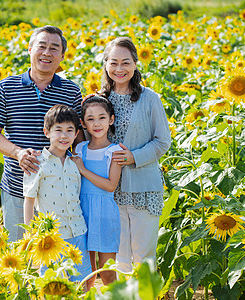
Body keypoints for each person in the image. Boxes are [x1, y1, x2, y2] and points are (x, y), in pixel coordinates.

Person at [0, 25, 83, 242]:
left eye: (54, 48)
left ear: (62, 56)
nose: (47, 53)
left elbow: (80, 137)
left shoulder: (71, 91)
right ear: (30, 49)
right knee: (20, 251)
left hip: (59, 191)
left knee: (58, 258)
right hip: (17, 185)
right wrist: (17, 153)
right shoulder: (6, 87)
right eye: (42, 46)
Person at [98, 37, 171, 274]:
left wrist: (134, 157)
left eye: (126, 63)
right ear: (106, 64)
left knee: (144, 256)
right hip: (109, 189)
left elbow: (163, 141)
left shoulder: (150, 98)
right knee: (119, 257)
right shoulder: (99, 100)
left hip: (144, 188)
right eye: (114, 63)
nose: (120, 69)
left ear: (136, 64)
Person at [23, 104, 92, 285]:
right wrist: (31, 234)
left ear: (76, 134)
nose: (64, 136)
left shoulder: (75, 163)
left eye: (70, 130)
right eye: (58, 130)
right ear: (47, 132)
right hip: (52, 238)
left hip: (78, 231)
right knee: (51, 284)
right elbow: (29, 200)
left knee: (81, 283)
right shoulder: (36, 162)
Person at [71, 95, 123, 286]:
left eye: (102, 117)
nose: (97, 123)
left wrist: (83, 169)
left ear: (111, 119)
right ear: (83, 124)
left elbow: (111, 185)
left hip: (104, 216)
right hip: (81, 214)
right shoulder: (80, 148)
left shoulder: (116, 151)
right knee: (87, 273)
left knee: (108, 272)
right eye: (90, 119)